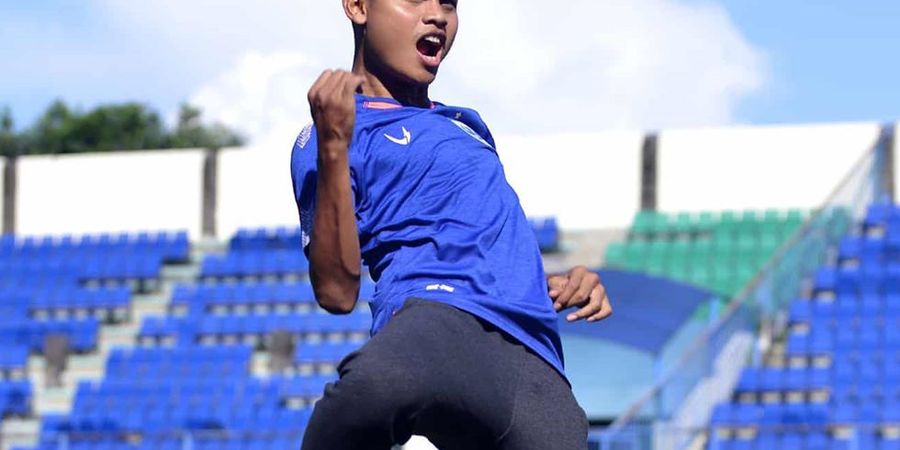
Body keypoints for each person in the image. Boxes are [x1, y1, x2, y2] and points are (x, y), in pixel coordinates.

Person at [291, 1, 612, 448]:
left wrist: (554, 284)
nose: (437, 15)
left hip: (532, 353)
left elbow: (479, 242)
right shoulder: (337, 130)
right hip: (434, 323)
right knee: (365, 395)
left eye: (448, 3)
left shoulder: (468, 126)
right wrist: (332, 143)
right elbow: (336, 292)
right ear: (358, 6)